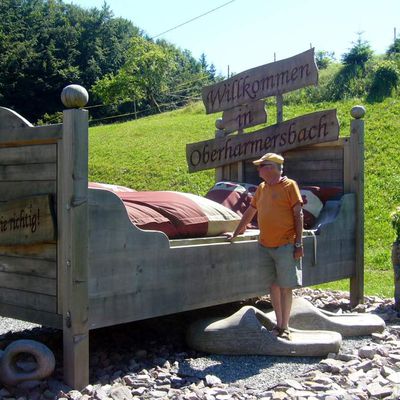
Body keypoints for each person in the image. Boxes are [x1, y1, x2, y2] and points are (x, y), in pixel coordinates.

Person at [226, 152, 304, 340]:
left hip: (286, 244)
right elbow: (251, 211)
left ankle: (285, 327)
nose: (258, 169)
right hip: (265, 245)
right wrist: (237, 232)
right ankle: (278, 325)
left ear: (272, 168)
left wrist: (299, 243)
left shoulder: (290, 186)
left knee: (286, 287)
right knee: (273, 286)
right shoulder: (261, 188)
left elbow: (298, 215)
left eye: (261, 166)